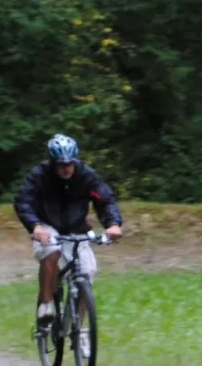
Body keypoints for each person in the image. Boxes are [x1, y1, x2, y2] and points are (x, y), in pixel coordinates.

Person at [13, 134, 124, 327]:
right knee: (51, 252)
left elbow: (105, 200)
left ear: (75, 160)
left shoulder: (86, 176)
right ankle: (46, 305)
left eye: (69, 164)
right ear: (53, 162)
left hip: (77, 228)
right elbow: (24, 201)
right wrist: (35, 226)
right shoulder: (39, 176)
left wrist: (113, 224)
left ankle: (77, 327)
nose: (66, 169)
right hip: (47, 225)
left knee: (87, 273)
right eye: (60, 164)